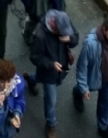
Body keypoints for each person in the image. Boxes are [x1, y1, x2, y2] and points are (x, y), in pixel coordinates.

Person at [24, 10, 79, 138]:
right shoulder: (40, 35)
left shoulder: (64, 21)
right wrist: (51, 64)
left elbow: (75, 37)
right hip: (49, 72)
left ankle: (29, 79)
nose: (65, 33)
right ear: (54, 26)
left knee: (38, 77)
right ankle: (51, 124)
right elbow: (35, 57)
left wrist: (69, 39)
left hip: (61, 67)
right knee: (51, 100)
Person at [74, 11, 108, 136]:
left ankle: (103, 127)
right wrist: (84, 87)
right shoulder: (90, 43)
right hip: (94, 77)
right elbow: (82, 67)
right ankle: (77, 92)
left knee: (107, 104)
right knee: (83, 88)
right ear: (104, 30)